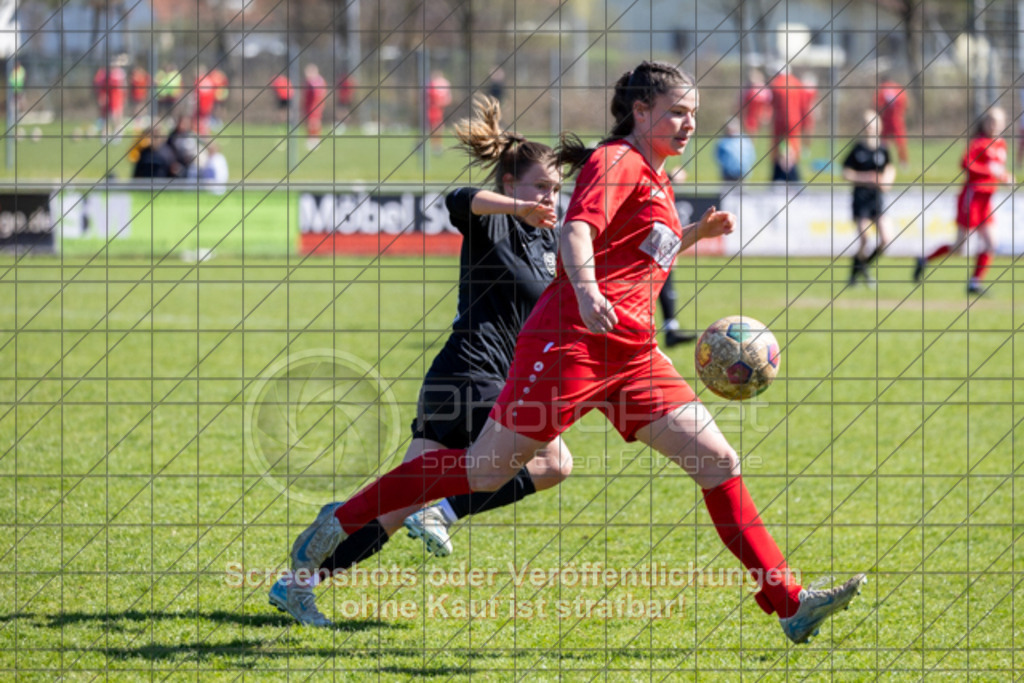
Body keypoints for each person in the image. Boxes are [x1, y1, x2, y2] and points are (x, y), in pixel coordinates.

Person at [279, 60, 867, 644]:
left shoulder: (658, 178)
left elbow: (632, 257)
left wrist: (695, 235)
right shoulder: (617, 160)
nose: (691, 123)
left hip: (635, 356)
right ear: (641, 112)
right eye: (677, 112)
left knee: (718, 462)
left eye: (693, 113)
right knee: (485, 470)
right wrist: (585, 291)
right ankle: (339, 524)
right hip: (572, 342)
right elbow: (577, 232)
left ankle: (790, 602)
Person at [268, 94, 571, 609]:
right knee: (553, 460)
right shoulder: (492, 223)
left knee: (391, 508)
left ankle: (299, 585)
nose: (549, 198)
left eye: (556, 190)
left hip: (467, 381)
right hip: (473, 375)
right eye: (539, 187)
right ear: (509, 185)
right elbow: (459, 197)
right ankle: (443, 511)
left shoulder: (550, 244)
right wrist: (517, 208)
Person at [915, 106, 1010, 295]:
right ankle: (924, 259)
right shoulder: (979, 143)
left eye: (998, 122)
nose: (994, 126)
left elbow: (998, 170)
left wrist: (1007, 177)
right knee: (960, 247)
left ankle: (974, 283)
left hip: (986, 200)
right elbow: (966, 163)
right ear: (985, 123)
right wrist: (990, 172)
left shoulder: (1001, 144)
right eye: (991, 121)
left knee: (991, 242)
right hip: (972, 198)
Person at [841, 110, 895, 286]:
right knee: (865, 238)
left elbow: (890, 169)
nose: (870, 129)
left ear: (879, 127)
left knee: (886, 238)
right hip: (861, 198)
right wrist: (865, 178)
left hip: (877, 198)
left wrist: (886, 181)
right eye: (867, 125)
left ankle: (861, 267)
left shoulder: (883, 149)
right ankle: (857, 271)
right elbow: (845, 172)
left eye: (872, 125)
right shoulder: (858, 149)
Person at [768, 66, 811, 180]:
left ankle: (780, 176)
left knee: (779, 150)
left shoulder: (776, 84)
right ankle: (793, 176)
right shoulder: (797, 83)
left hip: (780, 122)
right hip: (795, 121)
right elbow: (804, 106)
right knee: (793, 149)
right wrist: (806, 123)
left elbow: (771, 105)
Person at [876, 79, 908, 167]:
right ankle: (904, 163)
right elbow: (904, 103)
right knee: (901, 142)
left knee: (882, 142)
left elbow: (877, 103)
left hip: (886, 119)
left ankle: (881, 160)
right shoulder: (899, 88)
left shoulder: (881, 89)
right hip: (897, 119)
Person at [301, 63, 329, 148]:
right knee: (310, 121)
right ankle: (311, 139)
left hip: (315, 104)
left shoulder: (317, 81)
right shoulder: (309, 81)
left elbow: (318, 93)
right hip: (309, 104)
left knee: (314, 121)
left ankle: (315, 139)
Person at [426, 69, 452, 153]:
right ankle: (435, 146)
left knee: (438, 128)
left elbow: (447, 99)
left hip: (438, 110)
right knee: (434, 127)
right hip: (433, 109)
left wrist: (442, 102)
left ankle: (437, 146)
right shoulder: (432, 86)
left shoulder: (437, 85)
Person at [739, 67, 771, 134]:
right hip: (750, 116)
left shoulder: (764, 90)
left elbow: (768, 104)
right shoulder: (747, 90)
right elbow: (743, 105)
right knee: (750, 133)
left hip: (759, 116)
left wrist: (766, 116)